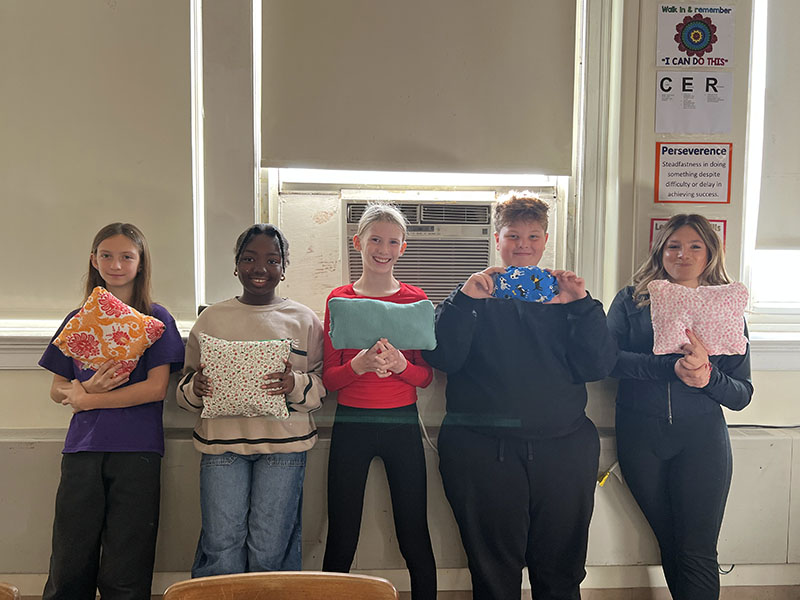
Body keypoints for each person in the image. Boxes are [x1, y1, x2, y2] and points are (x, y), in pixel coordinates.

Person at [422, 191, 616, 600]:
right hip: (482, 453)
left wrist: (580, 305)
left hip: (563, 451)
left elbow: (598, 366)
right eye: (513, 236)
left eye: (532, 236)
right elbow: (442, 357)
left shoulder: (570, 301)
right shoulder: (470, 297)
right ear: (498, 240)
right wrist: (465, 301)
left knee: (562, 570)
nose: (523, 245)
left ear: (546, 240)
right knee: (493, 572)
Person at [607, 214, 753, 599]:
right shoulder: (632, 299)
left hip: (701, 440)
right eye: (673, 245)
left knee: (696, 549)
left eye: (694, 246)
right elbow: (606, 362)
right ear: (660, 249)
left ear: (710, 253)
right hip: (641, 437)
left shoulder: (725, 306)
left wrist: (708, 376)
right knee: (671, 543)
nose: (682, 254)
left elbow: (741, 395)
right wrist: (669, 367)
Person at [38, 223, 185, 600]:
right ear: (93, 260)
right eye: (106, 255)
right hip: (82, 451)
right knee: (70, 560)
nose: (115, 264)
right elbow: (57, 389)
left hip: (137, 450)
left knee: (127, 563)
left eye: (126, 256)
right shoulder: (78, 319)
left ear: (141, 262)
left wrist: (88, 399)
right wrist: (84, 391)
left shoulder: (157, 319)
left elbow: (155, 389)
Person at [177, 223, 325, 577]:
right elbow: (184, 387)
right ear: (236, 265)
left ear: (284, 267)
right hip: (221, 445)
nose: (260, 268)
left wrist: (293, 383)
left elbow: (321, 386)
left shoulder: (304, 319)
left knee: (270, 545)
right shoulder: (211, 318)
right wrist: (195, 388)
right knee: (222, 541)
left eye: (272, 260)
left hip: (285, 448)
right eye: (249, 258)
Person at [322, 203, 437, 600]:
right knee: (341, 532)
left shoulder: (415, 299)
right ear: (358, 243)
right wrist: (358, 364)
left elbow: (425, 377)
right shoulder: (339, 299)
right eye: (375, 239)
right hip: (351, 423)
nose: (382, 248)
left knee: (413, 531)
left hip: (401, 424)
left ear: (403, 248)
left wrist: (401, 364)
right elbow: (329, 380)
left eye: (392, 241)